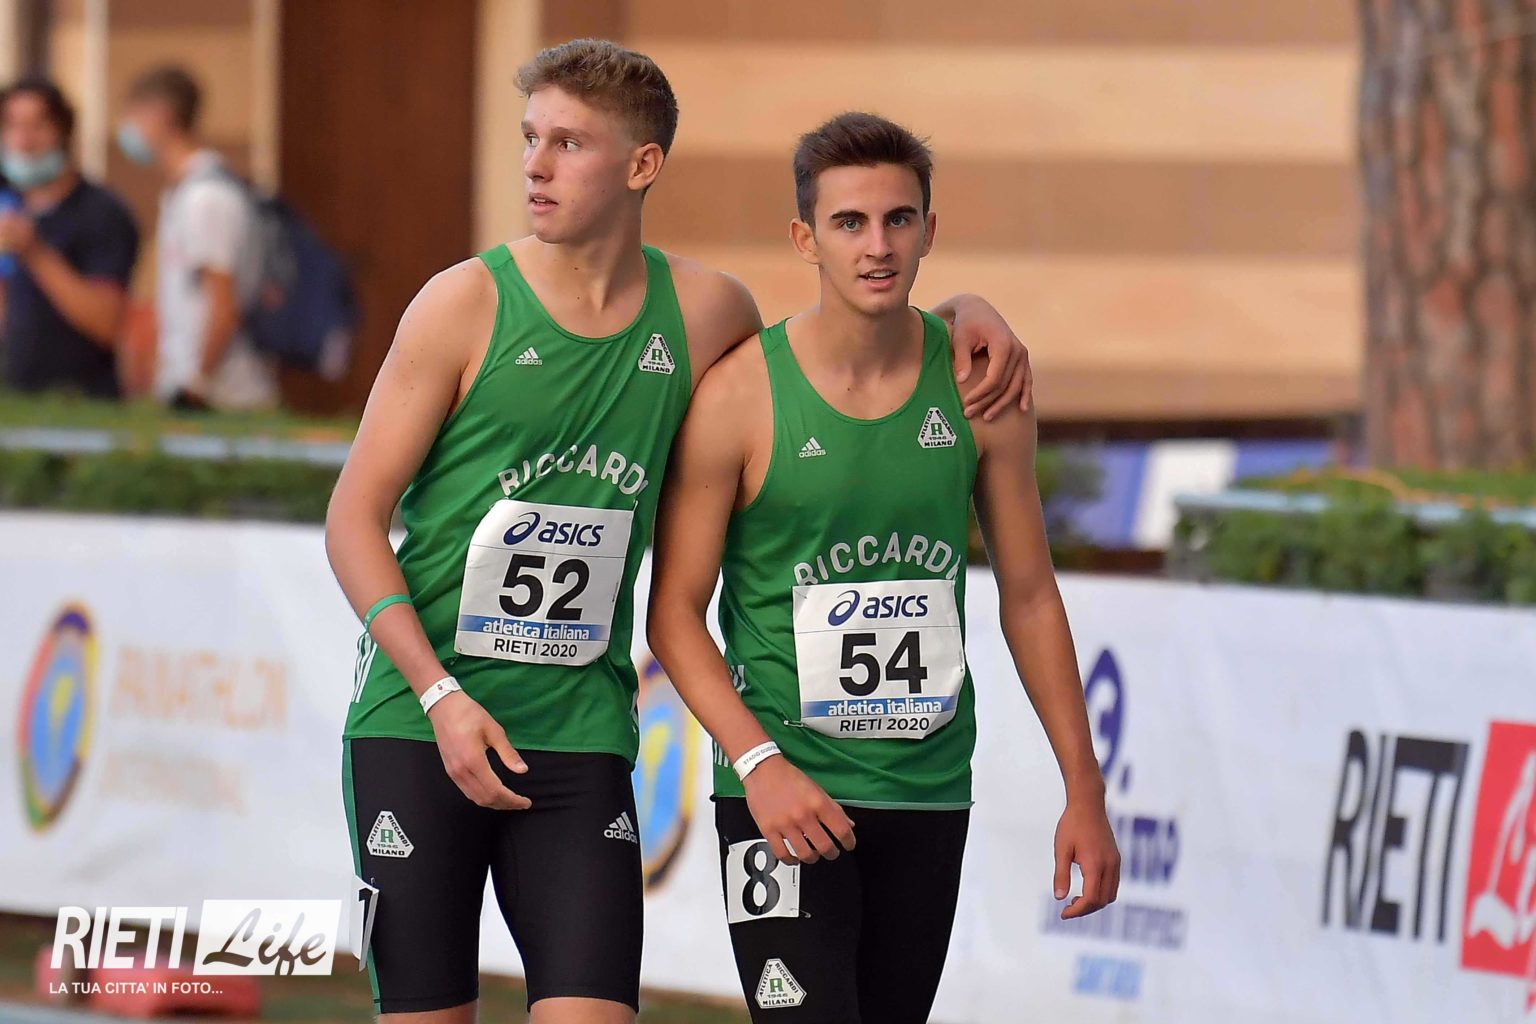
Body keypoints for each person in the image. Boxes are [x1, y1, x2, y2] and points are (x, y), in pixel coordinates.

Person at [324, 40, 1031, 1024]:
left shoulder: (706, 313)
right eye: (531, 138)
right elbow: (352, 520)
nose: (536, 165)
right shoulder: (462, 305)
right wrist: (439, 694)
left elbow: (850, 333)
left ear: (642, 164)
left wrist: (961, 309)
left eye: (569, 143)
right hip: (420, 723)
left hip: (579, 734)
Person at [647, 112, 1120, 1022]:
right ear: (805, 239)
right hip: (783, 792)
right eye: (849, 223)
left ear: (929, 230)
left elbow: (1029, 595)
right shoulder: (739, 397)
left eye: (899, 219)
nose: (877, 246)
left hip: (927, 790)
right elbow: (673, 615)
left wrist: (1084, 789)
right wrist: (758, 764)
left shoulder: (980, 388)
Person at [117, 65, 276, 411]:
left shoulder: (206, 197)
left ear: (159, 115)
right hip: (190, 389)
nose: (127, 129)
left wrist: (196, 383)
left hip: (223, 397)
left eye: (133, 116)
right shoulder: (182, 192)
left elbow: (223, 304)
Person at [0, 77, 138, 398]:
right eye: (11, 126)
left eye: (37, 126)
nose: (23, 141)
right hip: (17, 400)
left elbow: (107, 323)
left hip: (81, 402)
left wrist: (34, 252)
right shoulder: (11, 204)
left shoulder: (101, 212)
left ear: (64, 131)